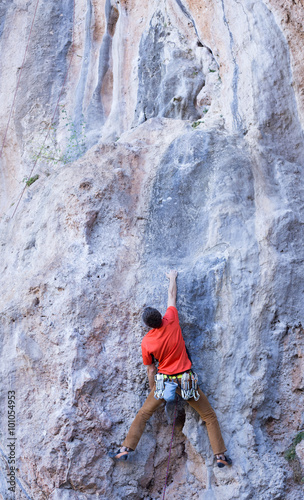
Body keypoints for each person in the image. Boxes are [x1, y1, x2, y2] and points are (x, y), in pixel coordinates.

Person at [110, 270, 232, 468]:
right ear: (161, 316)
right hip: (186, 380)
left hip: (164, 382)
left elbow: (150, 370)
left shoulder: (147, 342)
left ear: (147, 325)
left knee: (143, 414)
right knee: (208, 415)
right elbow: (172, 296)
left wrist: (153, 390)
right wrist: (172, 278)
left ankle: (126, 449)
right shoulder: (172, 320)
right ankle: (220, 456)